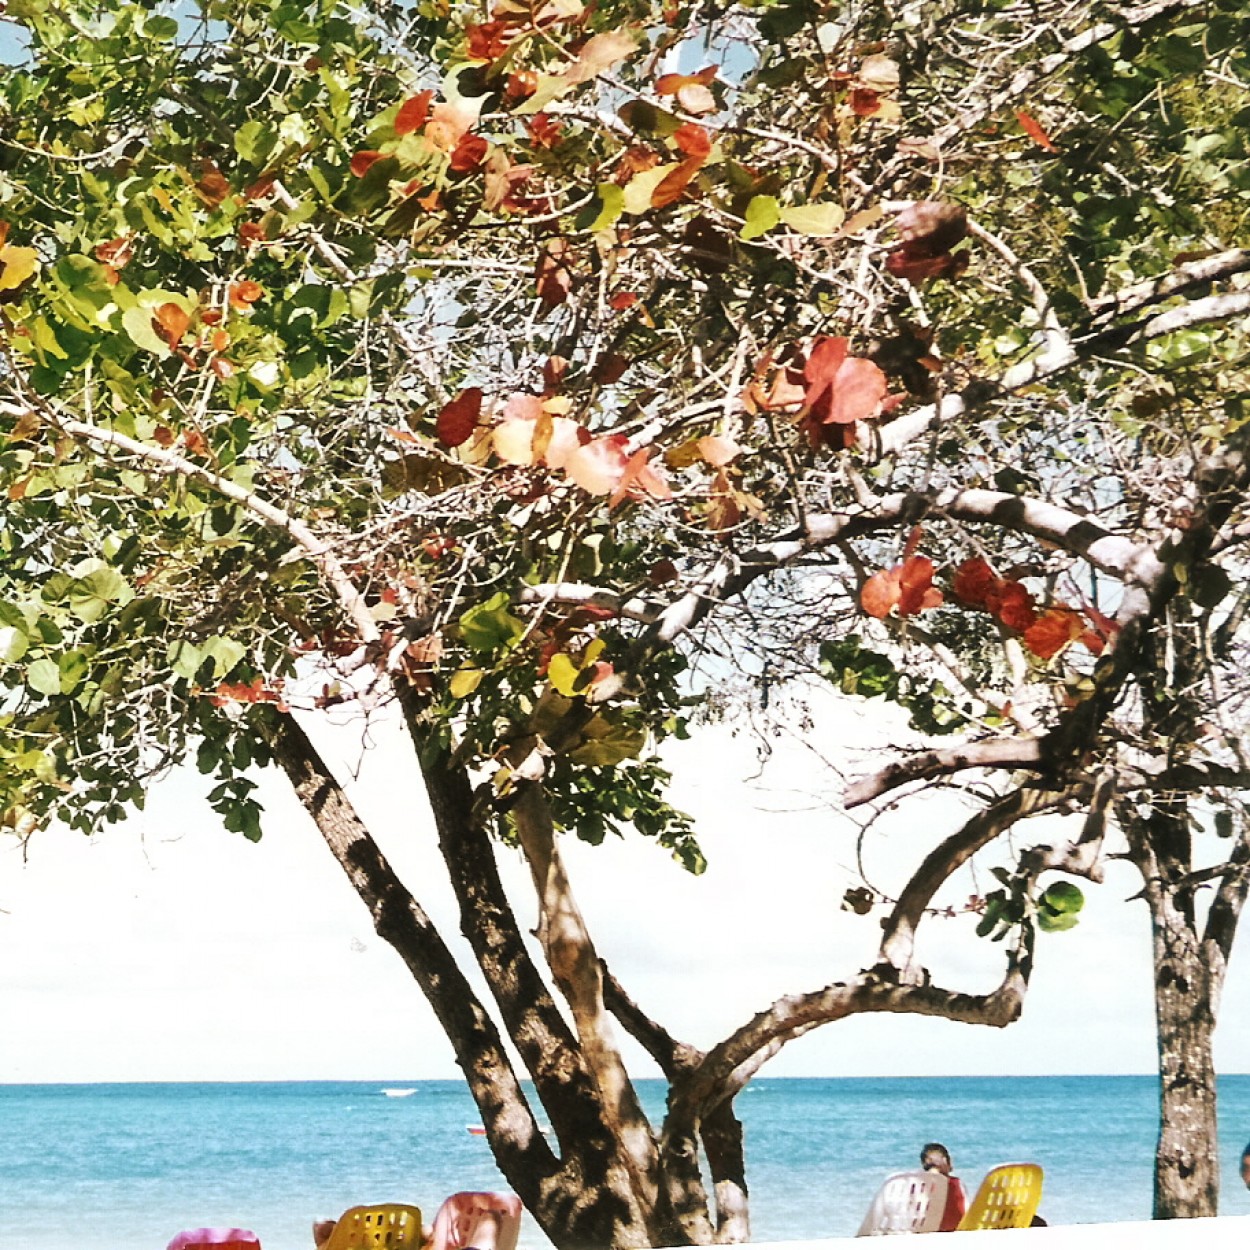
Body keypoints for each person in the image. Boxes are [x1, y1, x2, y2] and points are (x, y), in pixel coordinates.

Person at [920, 1142, 967, 1233]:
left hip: (928, 1230)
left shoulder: (920, 1185)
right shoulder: (957, 1184)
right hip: (956, 1228)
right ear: (946, 1161)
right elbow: (967, 1209)